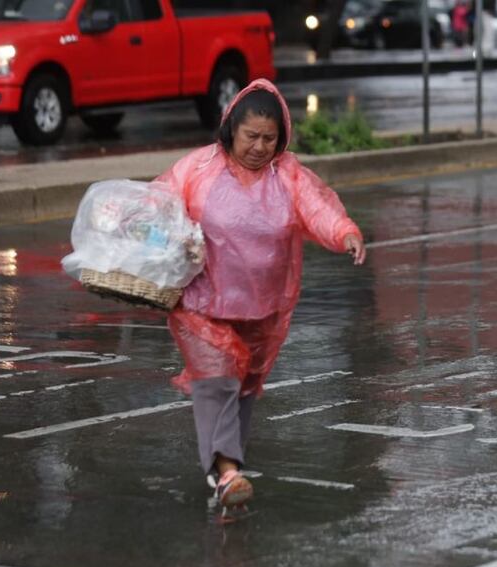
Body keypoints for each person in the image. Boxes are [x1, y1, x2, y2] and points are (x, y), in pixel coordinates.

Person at [154, 79, 366, 514]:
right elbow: (157, 207)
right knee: (219, 380)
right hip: (200, 302)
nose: (259, 147)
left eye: (269, 138)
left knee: (245, 386)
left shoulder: (288, 175)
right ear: (231, 129)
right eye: (251, 136)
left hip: (262, 306)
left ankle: (226, 473)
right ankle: (228, 471)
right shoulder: (197, 169)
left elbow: (320, 209)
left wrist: (345, 233)